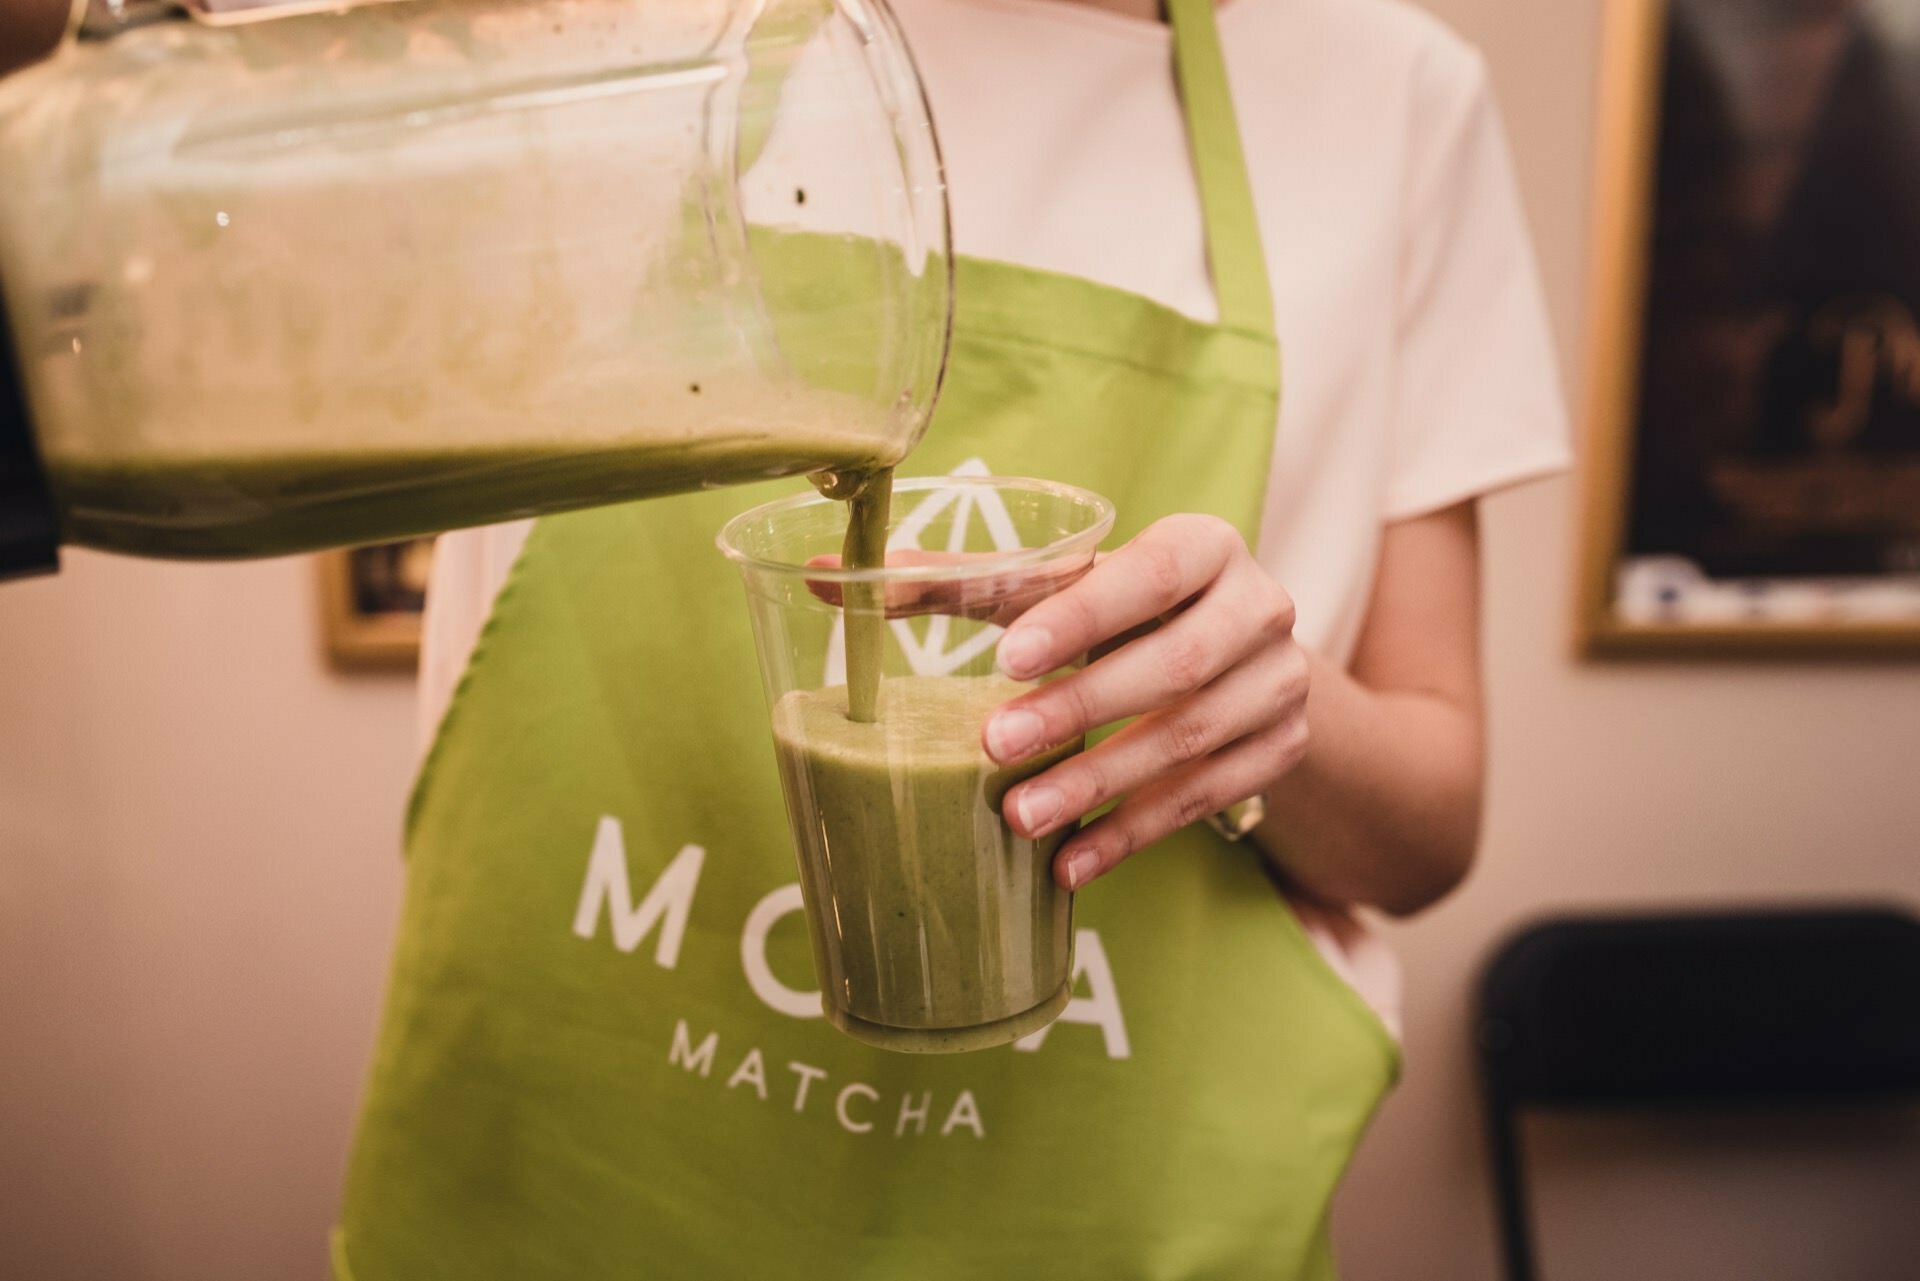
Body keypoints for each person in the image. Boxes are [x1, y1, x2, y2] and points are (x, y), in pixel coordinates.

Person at [336, 0, 1568, 1276]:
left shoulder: (1391, 94)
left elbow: (1430, 830)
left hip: (1108, 1218)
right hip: (566, 1193)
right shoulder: (568, 23)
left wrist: (1262, 706)